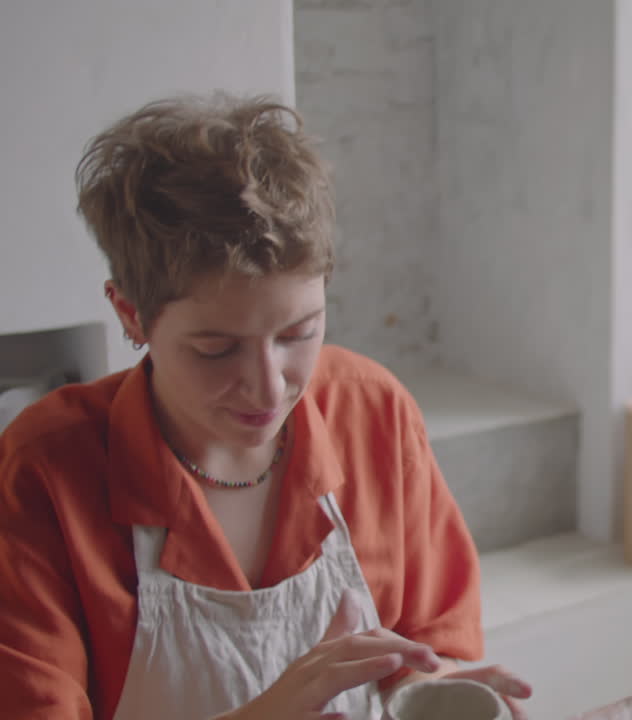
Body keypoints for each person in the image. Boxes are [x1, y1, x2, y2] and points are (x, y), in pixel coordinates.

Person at [0, 93, 532, 719]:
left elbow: (431, 632)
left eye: (298, 334)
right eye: (216, 349)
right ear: (130, 313)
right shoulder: (44, 470)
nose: (269, 388)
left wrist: (421, 685)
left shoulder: (372, 412)